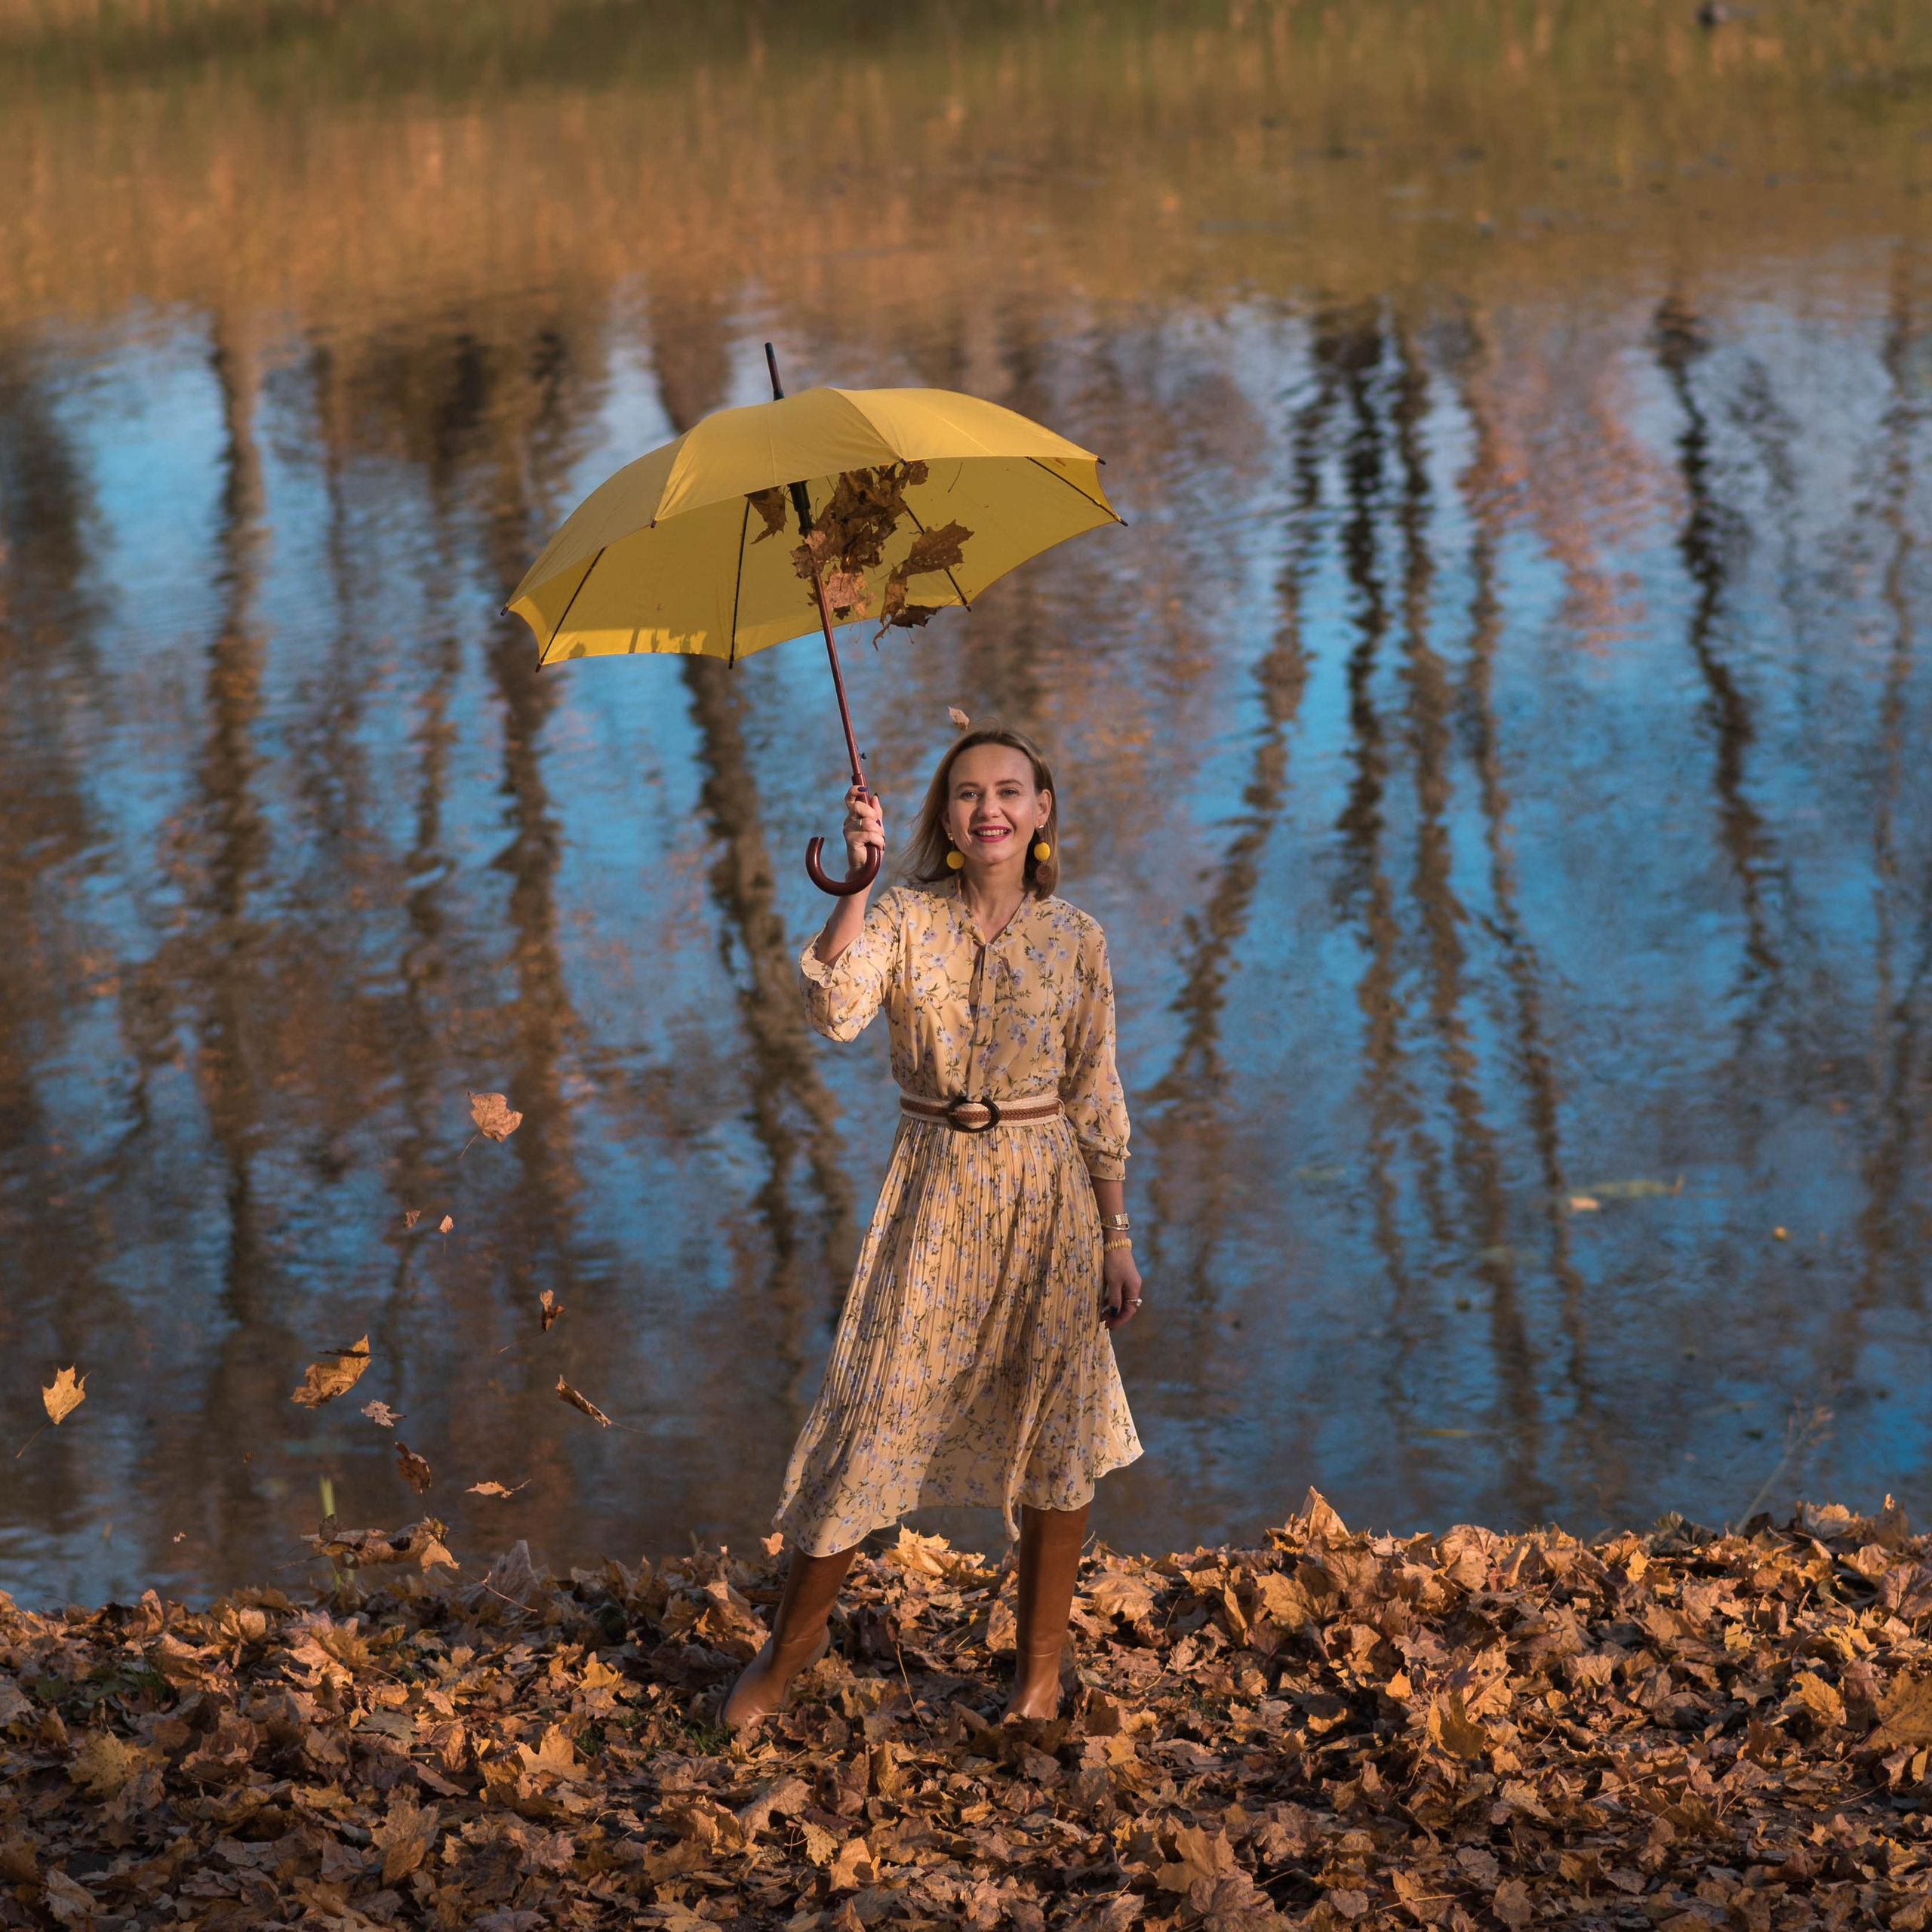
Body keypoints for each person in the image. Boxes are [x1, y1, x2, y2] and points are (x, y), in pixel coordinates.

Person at [723, 722, 1144, 1730]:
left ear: (1041, 812)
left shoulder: (1077, 938)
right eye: (966, 794)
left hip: (1051, 1202)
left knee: (1059, 1426)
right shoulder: (907, 917)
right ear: (944, 819)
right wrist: (857, 883)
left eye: (1009, 791)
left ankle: (1040, 1674)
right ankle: (791, 1649)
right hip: (935, 1191)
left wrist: (1118, 1232)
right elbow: (835, 1012)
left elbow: (1096, 1093)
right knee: (873, 1414)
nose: (988, 808)